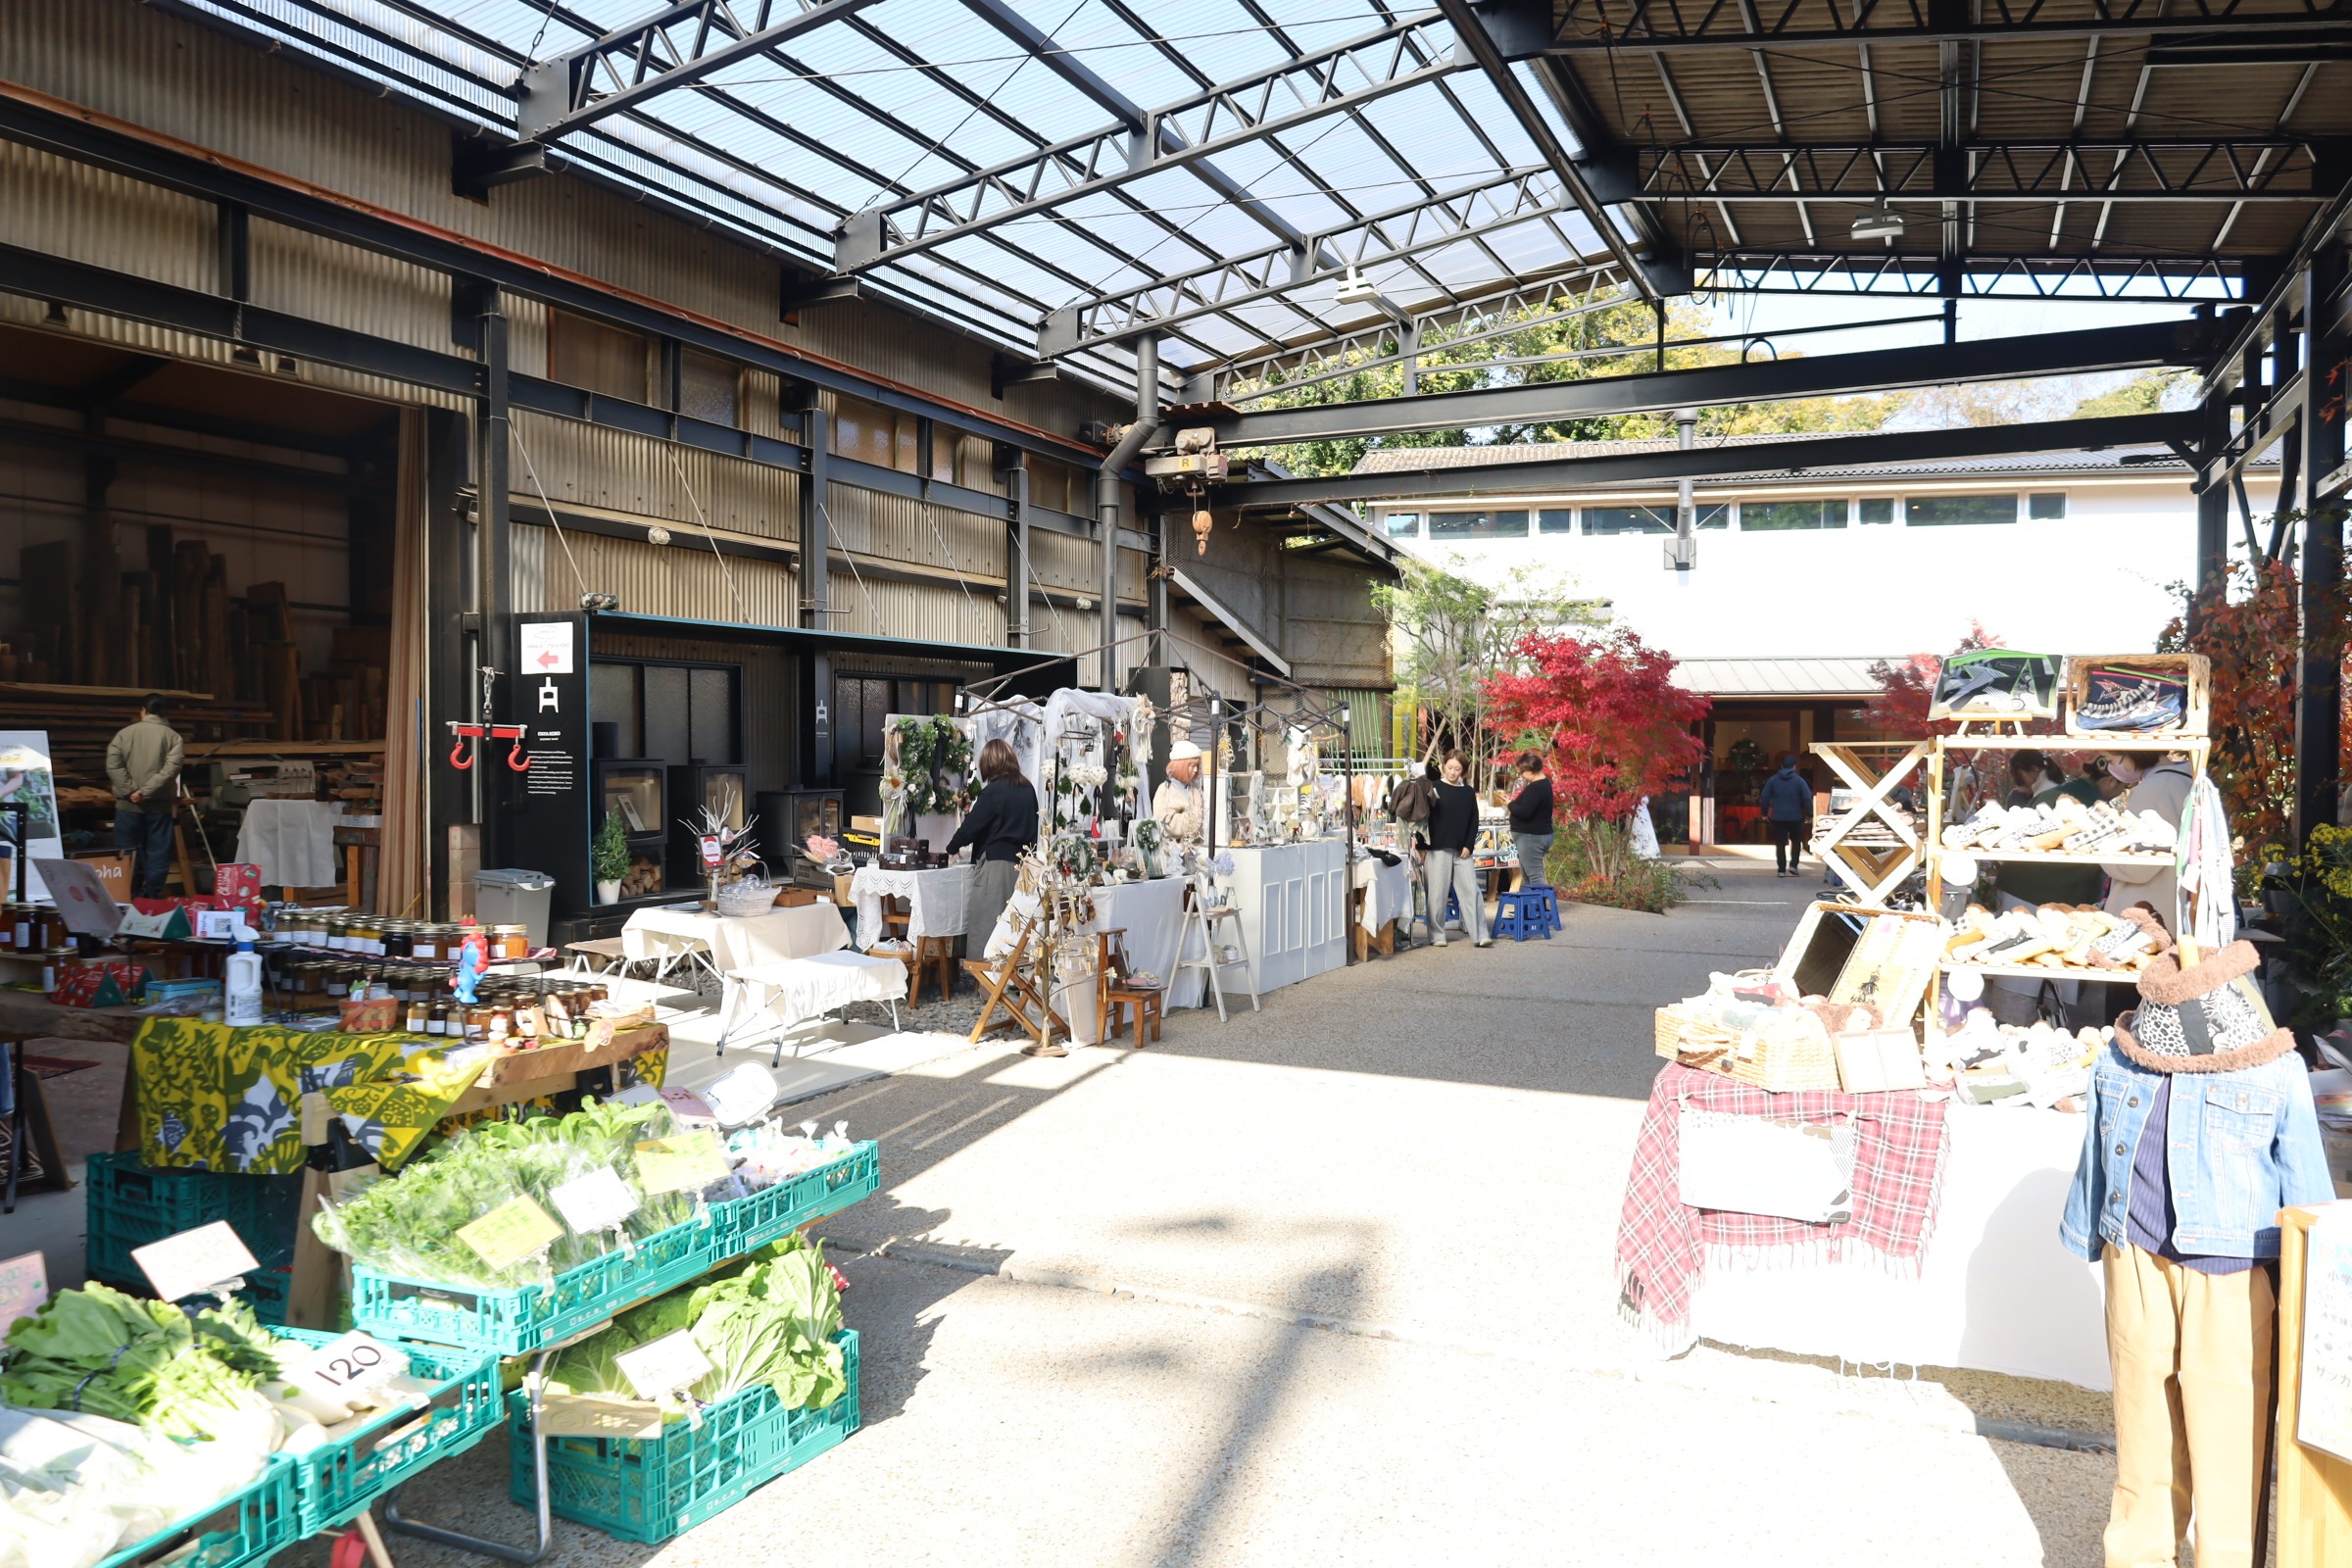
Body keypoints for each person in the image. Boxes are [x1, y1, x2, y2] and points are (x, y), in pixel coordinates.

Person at [944, 738, 1038, 961]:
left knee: (987, 924)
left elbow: (971, 827)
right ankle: (1011, 975)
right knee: (1014, 926)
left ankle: (984, 978)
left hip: (996, 865)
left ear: (990, 763)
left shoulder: (994, 792)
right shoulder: (1028, 789)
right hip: (1023, 866)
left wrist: (951, 847)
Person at [106, 694, 183, 900]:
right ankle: (151, 897)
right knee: (158, 853)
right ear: (166, 713)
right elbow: (170, 771)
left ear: (143, 711)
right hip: (159, 806)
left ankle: (126, 896)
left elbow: (113, 765)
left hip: (127, 805)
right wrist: (146, 791)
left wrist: (131, 791)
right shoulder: (174, 738)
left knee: (126, 853)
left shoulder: (124, 734)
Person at [2102, 750, 2195, 918]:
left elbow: (2138, 868)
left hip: (2146, 907)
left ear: (2132, 753)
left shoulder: (2155, 789)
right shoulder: (2181, 780)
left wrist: (2101, 850)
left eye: (2110, 759)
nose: (2110, 767)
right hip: (2171, 900)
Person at [1421, 752, 1489, 947]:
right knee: (1437, 893)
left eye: (1457, 769)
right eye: (1449, 767)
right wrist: (1422, 846)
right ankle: (1437, 935)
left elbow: (1474, 821)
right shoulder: (1433, 788)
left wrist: (1469, 845)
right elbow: (1423, 818)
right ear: (1443, 766)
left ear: (1463, 771)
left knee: (1471, 891)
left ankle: (1480, 934)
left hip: (1462, 850)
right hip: (1436, 848)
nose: (1452, 772)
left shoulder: (1468, 792)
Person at [1757, 754, 1812, 878]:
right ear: (1794, 766)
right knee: (1796, 841)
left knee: (1780, 843)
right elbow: (1807, 798)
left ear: (1781, 766)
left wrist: (1764, 813)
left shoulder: (1773, 780)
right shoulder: (1799, 781)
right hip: (1796, 816)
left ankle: (1781, 870)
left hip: (1778, 816)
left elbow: (1765, 797)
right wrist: (1809, 813)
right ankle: (1793, 866)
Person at [1506, 752, 1554, 889]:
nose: (1520, 775)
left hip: (1531, 836)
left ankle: (1543, 901)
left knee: (1534, 875)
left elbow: (1524, 812)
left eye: (1522, 772)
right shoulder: (1541, 785)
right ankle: (1532, 901)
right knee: (1528, 875)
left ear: (1530, 769)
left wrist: (1510, 804)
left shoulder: (1537, 787)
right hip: (1533, 835)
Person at [1152, 739, 1204, 843]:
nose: (1195, 770)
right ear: (1181, 766)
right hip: (1172, 848)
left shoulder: (1195, 788)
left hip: (1196, 846)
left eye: (1197, 766)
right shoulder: (1164, 790)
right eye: (1192, 766)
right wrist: (1195, 815)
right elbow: (1167, 823)